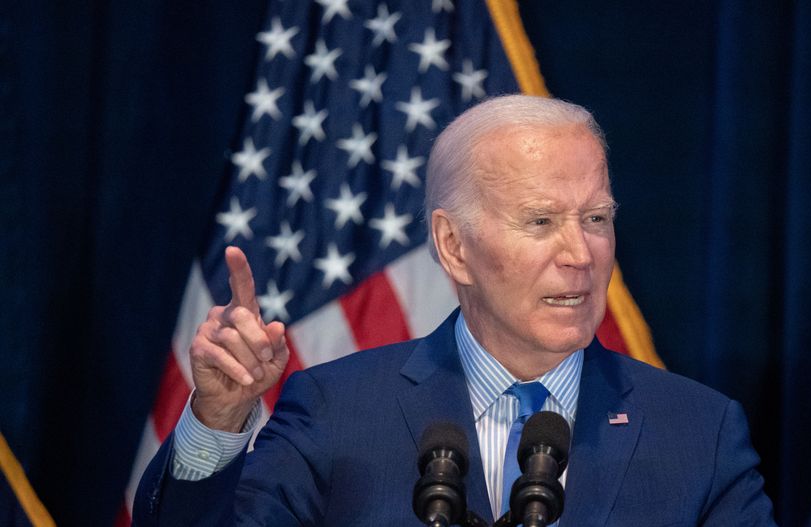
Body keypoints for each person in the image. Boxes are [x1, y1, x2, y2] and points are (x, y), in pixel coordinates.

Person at [133, 94, 776, 525]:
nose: (581, 253)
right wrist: (216, 422)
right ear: (452, 245)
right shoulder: (336, 415)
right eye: (541, 220)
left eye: (597, 218)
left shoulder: (701, 435)